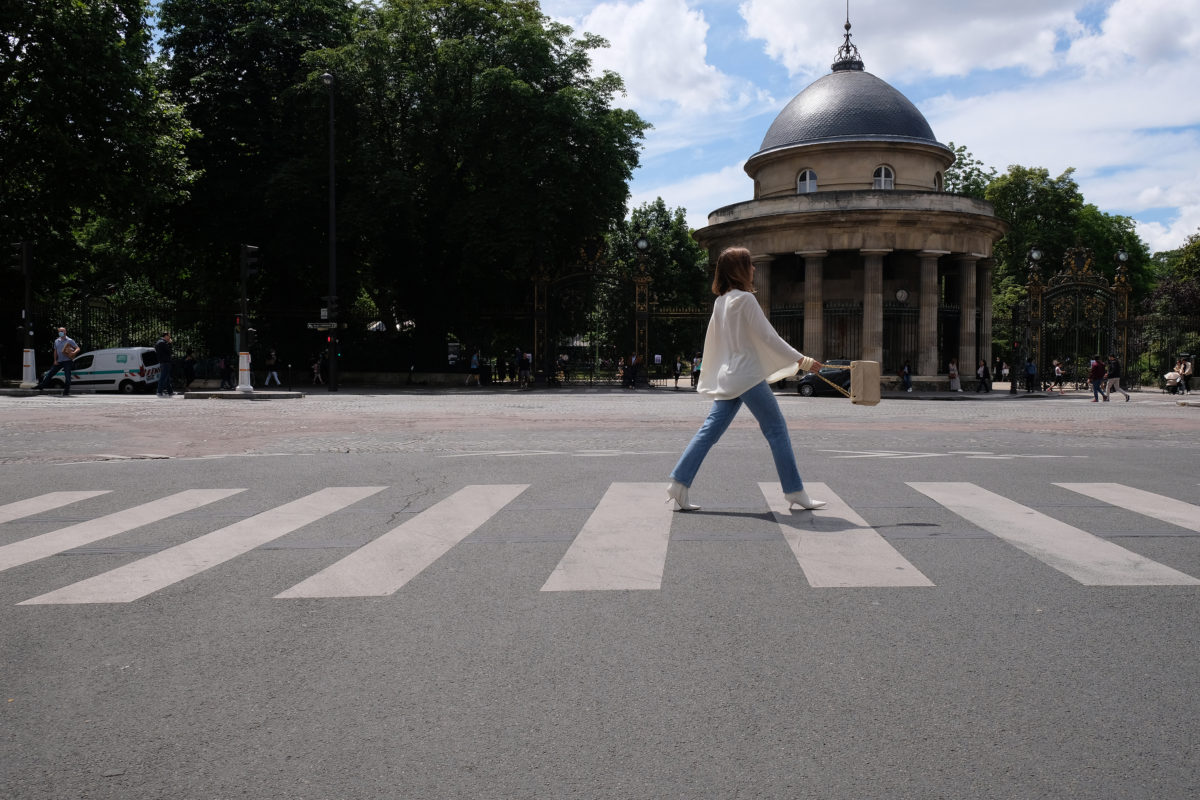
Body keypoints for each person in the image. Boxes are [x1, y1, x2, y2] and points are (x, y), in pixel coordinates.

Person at [667, 247, 826, 512]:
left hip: (731, 376)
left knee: (709, 431)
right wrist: (804, 361)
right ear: (740, 270)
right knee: (776, 430)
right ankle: (795, 491)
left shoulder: (721, 302)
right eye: (750, 264)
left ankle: (678, 483)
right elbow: (769, 337)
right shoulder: (745, 300)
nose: (754, 269)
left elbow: (716, 343)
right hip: (749, 377)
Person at [35, 326, 80, 396]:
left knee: (67, 376)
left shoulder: (70, 340)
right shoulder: (56, 341)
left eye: (62, 331)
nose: (61, 332)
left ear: (65, 332)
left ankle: (66, 391)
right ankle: (41, 386)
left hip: (67, 361)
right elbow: (55, 351)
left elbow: (78, 348)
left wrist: (74, 353)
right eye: (59, 331)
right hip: (59, 361)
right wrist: (55, 360)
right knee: (50, 374)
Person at [154, 331, 174, 397]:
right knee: (163, 377)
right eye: (169, 336)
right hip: (165, 362)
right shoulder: (163, 343)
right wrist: (170, 343)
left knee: (167, 378)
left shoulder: (159, 342)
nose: (169, 337)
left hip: (163, 362)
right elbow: (169, 351)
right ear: (165, 336)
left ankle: (170, 392)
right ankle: (159, 392)